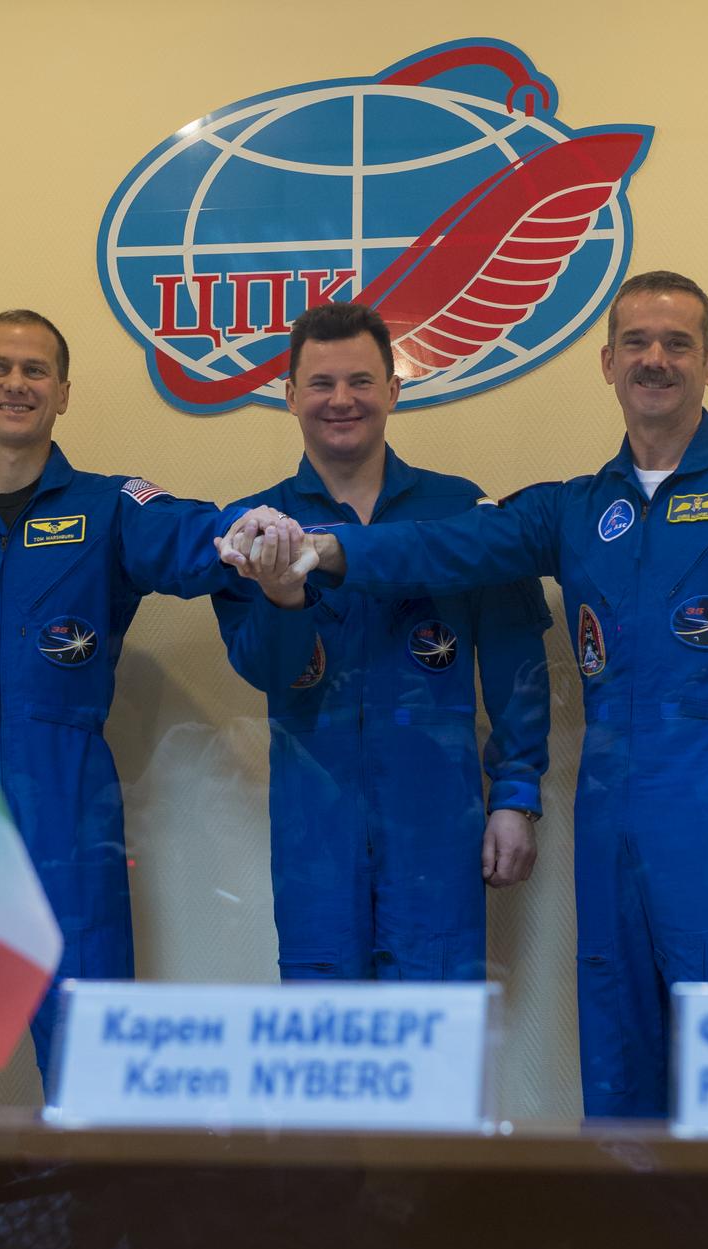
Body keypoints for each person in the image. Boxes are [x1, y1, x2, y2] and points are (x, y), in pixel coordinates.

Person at [221, 272, 708, 1117]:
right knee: (614, 1038)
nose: (655, 359)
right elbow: (448, 548)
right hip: (605, 804)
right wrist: (325, 553)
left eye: (677, 343)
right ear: (606, 363)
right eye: (637, 342)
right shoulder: (574, 509)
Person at [0, 309, 279, 1105]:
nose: (17, 383)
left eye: (36, 370)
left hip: (70, 824)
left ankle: (100, 1236)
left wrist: (253, 533)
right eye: (0, 367)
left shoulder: (111, 510)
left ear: (64, 393)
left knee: (93, 1075)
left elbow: (194, 540)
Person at [211, 302, 552, 981]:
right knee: (326, 1038)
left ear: (394, 390)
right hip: (317, 828)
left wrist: (514, 795)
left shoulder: (462, 514)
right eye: (322, 383)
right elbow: (267, 669)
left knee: (436, 1034)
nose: (343, 400)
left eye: (362, 382)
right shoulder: (255, 528)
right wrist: (282, 595)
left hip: (438, 822)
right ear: (290, 397)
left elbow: (518, 664)